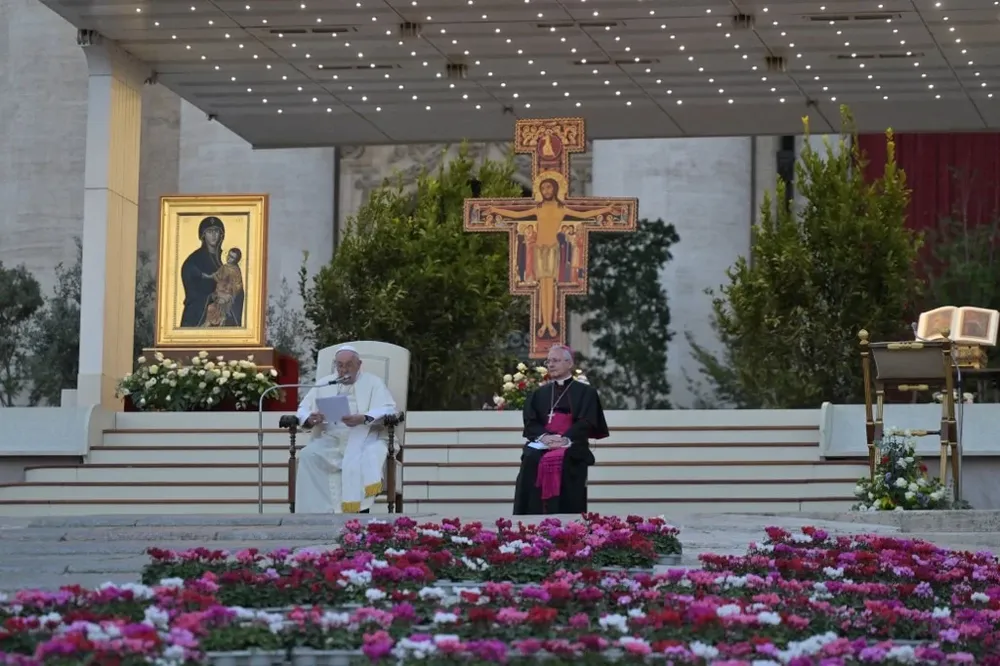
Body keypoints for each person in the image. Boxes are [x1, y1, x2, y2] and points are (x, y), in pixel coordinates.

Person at [295, 345, 398, 513]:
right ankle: (316, 513)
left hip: (365, 437)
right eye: (340, 365)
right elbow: (303, 410)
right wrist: (310, 418)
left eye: (349, 365)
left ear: (359, 364)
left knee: (368, 456)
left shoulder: (373, 383)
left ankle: (357, 512)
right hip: (332, 438)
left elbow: (389, 409)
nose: (344, 370)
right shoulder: (324, 384)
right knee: (308, 455)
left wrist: (364, 418)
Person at [512, 344, 609, 515]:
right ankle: (531, 518)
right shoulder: (538, 394)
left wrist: (565, 439)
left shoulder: (586, 392)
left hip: (571, 444)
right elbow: (531, 422)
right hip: (543, 443)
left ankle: (566, 523)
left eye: (555, 360)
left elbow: (586, 421)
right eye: (548, 361)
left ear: (569, 363)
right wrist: (544, 437)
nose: (550, 364)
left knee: (566, 460)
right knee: (530, 457)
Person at [179, 216, 244, 328]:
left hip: (225, 310)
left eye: (216, 231)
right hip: (199, 314)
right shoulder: (193, 260)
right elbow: (191, 290)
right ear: (203, 235)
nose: (213, 235)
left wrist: (231, 295)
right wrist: (212, 296)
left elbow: (238, 288)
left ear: (221, 235)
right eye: (209, 231)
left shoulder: (228, 259)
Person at [201, 248, 244, 327]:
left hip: (228, 295)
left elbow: (238, 285)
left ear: (236, 260)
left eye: (232, 257)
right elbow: (217, 275)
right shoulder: (224, 267)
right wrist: (207, 276)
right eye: (229, 255)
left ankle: (221, 321)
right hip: (220, 292)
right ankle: (209, 321)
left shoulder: (236, 271)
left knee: (220, 307)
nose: (229, 258)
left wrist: (231, 290)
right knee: (211, 307)